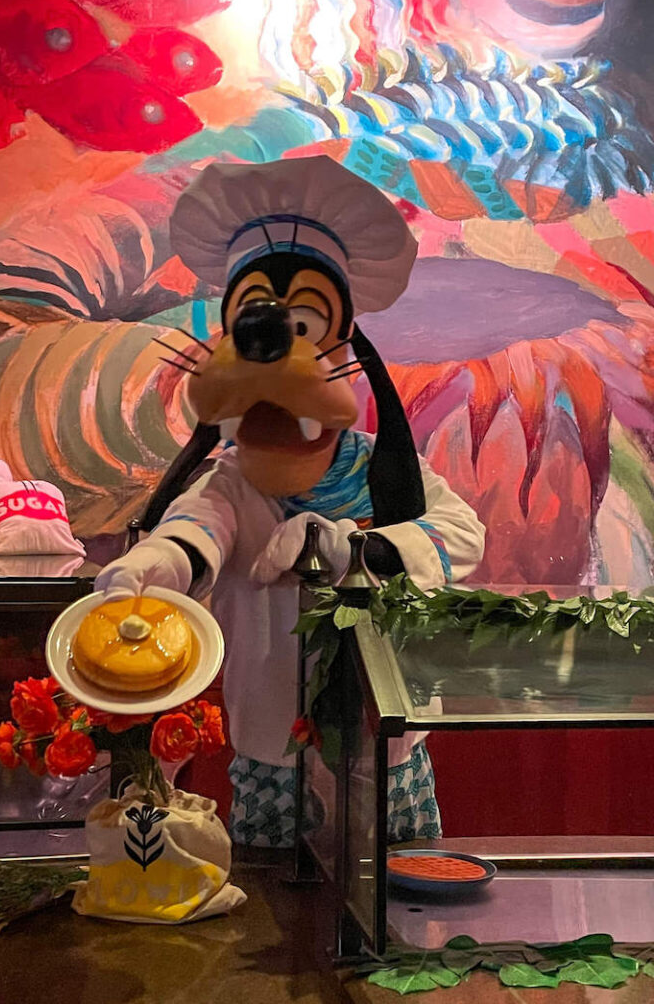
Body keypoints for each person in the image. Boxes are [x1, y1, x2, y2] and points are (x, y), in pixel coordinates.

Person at [96, 156, 485, 847]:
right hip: (269, 740)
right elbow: (196, 532)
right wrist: (153, 568)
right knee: (280, 912)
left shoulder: (381, 467)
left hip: (382, 741)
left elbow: (460, 536)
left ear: (341, 351)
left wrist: (355, 550)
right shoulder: (231, 482)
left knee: (393, 900)